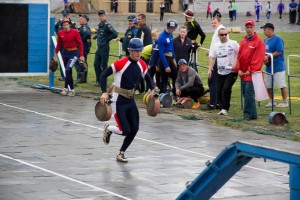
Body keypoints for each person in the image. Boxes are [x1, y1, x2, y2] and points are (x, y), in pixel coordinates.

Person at [100, 38, 157, 162]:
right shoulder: (120, 63)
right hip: (118, 101)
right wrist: (104, 92)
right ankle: (109, 128)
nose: (138, 53)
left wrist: (153, 88)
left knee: (134, 129)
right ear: (130, 50)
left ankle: (121, 153)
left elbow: (147, 77)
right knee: (125, 130)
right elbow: (103, 75)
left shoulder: (142, 64)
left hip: (130, 100)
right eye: (136, 51)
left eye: (140, 51)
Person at [235, 20, 265, 120]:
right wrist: (238, 69)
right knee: (245, 93)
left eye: (250, 27)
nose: (249, 29)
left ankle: (247, 114)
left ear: (254, 28)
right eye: (247, 27)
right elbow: (239, 56)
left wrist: (251, 70)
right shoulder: (243, 40)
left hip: (252, 74)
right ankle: (253, 115)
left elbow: (258, 58)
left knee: (249, 94)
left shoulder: (258, 42)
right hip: (243, 73)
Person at [208, 28, 239, 115]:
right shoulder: (216, 45)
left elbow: (240, 53)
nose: (224, 36)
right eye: (222, 35)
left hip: (231, 71)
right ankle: (221, 107)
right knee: (220, 89)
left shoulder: (233, 43)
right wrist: (210, 69)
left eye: (226, 34)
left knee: (226, 89)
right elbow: (213, 58)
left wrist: (236, 65)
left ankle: (225, 108)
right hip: (220, 71)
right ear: (219, 36)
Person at [53, 19, 84, 97]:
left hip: (74, 53)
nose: (65, 26)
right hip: (65, 53)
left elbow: (80, 43)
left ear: (69, 25)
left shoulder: (75, 32)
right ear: (62, 26)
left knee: (67, 69)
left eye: (67, 25)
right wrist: (55, 55)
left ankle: (68, 88)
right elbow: (59, 44)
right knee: (67, 72)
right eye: (64, 25)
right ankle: (69, 89)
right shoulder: (60, 33)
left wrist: (81, 55)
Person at [261, 23, 288, 108]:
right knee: (268, 85)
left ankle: (285, 101)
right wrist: (264, 59)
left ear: (269, 29)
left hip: (278, 66)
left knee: (281, 84)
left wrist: (268, 56)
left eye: (265, 29)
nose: (264, 31)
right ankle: (272, 101)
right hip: (269, 67)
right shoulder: (265, 40)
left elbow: (279, 51)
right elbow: (264, 52)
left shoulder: (278, 39)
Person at [203, 16, 226, 111]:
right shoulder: (218, 30)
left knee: (212, 81)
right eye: (212, 23)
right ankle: (217, 102)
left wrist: (213, 52)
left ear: (219, 22)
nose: (213, 24)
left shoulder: (221, 30)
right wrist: (210, 50)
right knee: (215, 81)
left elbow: (223, 44)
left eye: (215, 22)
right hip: (215, 57)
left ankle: (213, 103)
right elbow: (216, 44)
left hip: (216, 59)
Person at [93, 10, 118, 87]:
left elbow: (115, 34)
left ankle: (103, 81)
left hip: (104, 47)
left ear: (105, 16)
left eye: (102, 16)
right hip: (99, 47)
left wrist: (107, 39)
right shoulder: (100, 25)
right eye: (99, 16)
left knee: (104, 65)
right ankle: (98, 80)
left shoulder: (107, 25)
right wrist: (96, 36)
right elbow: (101, 34)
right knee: (96, 64)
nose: (101, 17)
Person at [157, 19, 178, 97]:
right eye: (173, 29)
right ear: (168, 28)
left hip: (170, 58)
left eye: (174, 29)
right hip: (164, 59)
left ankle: (175, 92)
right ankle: (162, 96)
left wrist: (174, 58)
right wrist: (166, 66)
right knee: (164, 79)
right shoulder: (161, 37)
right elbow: (161, 52)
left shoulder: (171, 35)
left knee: (175, 76)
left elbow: (171, 47)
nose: (173, 30)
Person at [55, 10, 76, 82]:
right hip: (61, 44)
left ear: (68, 16)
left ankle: (68, 75)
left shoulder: (72, 23)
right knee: (61, 60)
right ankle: (62, 75)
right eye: (64, 16)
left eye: (66, 16)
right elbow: (55, 27)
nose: (65, 17)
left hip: (69, 45)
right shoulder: (59, 22)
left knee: (69, 62)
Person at [136, 14, 152, 93]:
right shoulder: (147, 28)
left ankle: (140, 88)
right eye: (137, 19)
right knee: (144, 71)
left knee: (140, 70)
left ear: (143, 19)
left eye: (139, 19)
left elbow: (139, 42)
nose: (137, 21)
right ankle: (144, 88)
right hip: (147, 53)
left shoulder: (142, 29)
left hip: (142, 53)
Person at [75, 14, 91, 83]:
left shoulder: (85, 27)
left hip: (83, 47)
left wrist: (81, 40)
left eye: (81, 19)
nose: (80, 20)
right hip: (81, 47)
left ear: (85, 20)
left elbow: (87, 34)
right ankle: (81, 78)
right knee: (79, 62)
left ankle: (82, 78)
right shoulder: (81, 27)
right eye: (80, 18)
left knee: (81, 62)